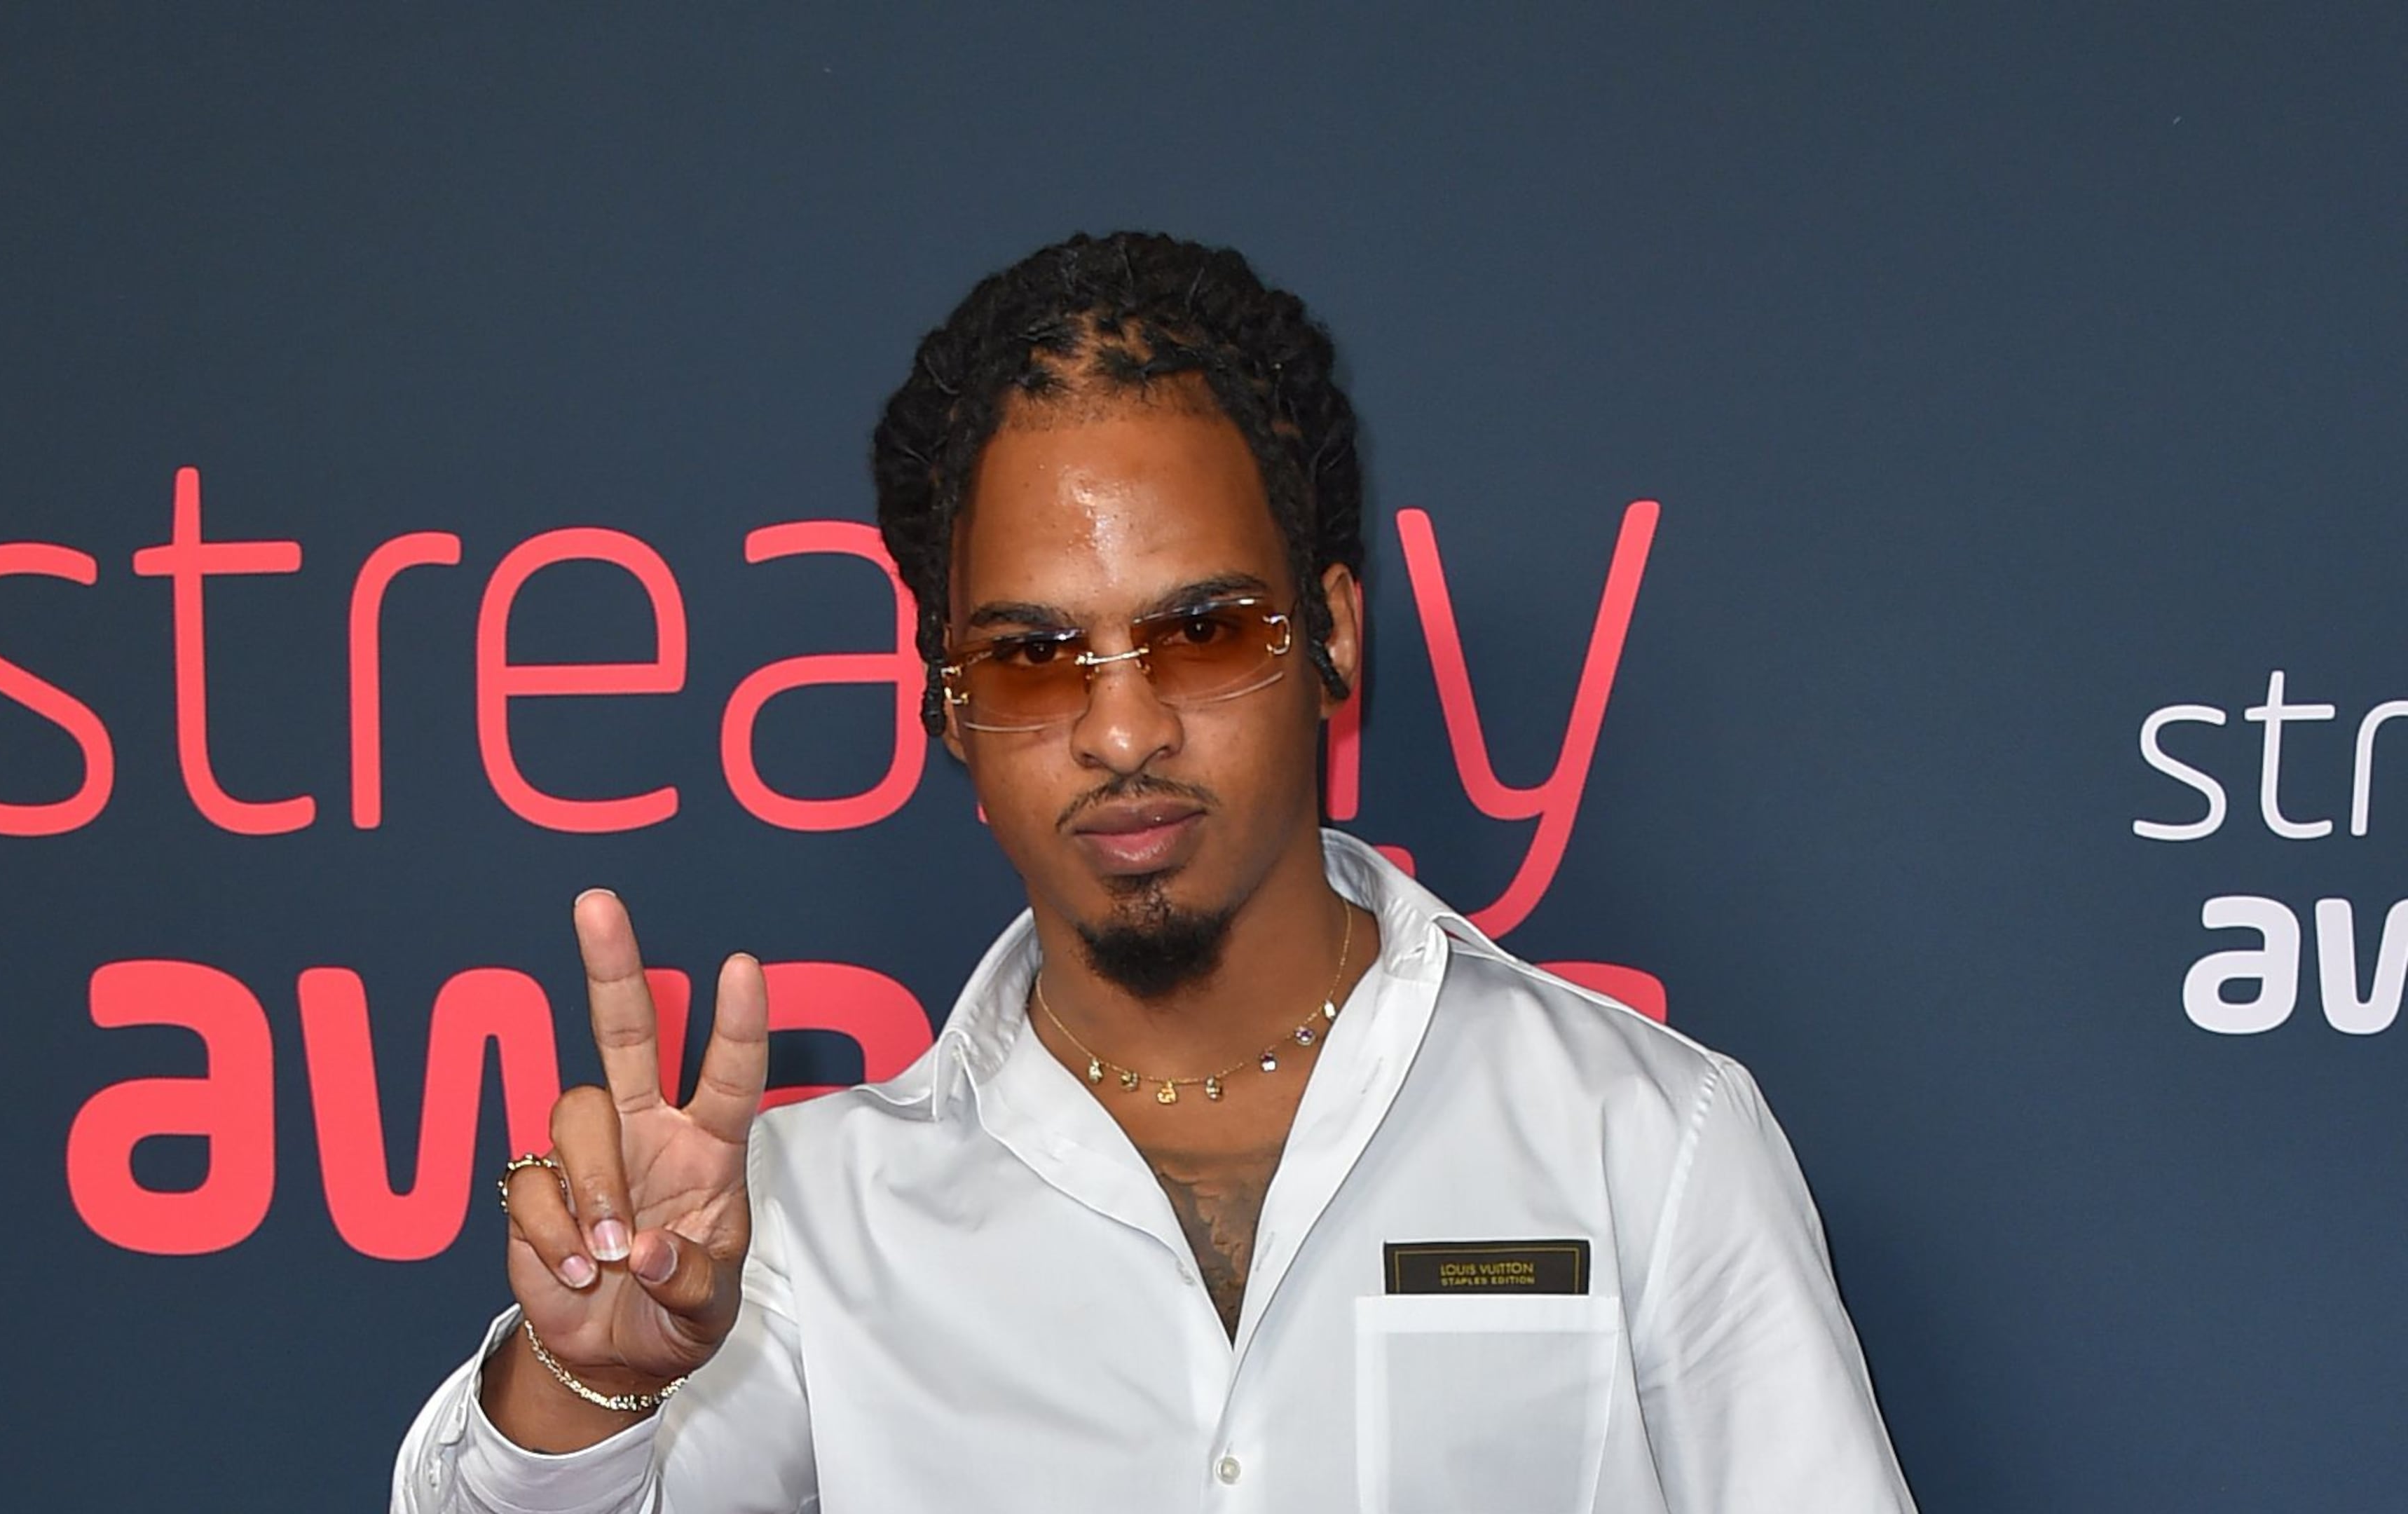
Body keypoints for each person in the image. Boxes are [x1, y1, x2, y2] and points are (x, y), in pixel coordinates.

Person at [392, 231, 1915, 1513]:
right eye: (1035, 657)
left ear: (1332, 635)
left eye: (1204, 633)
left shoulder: (1643, 1139)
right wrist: (592, 1377)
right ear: (949, 709)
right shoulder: (795, 1222)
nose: (1124, 728)